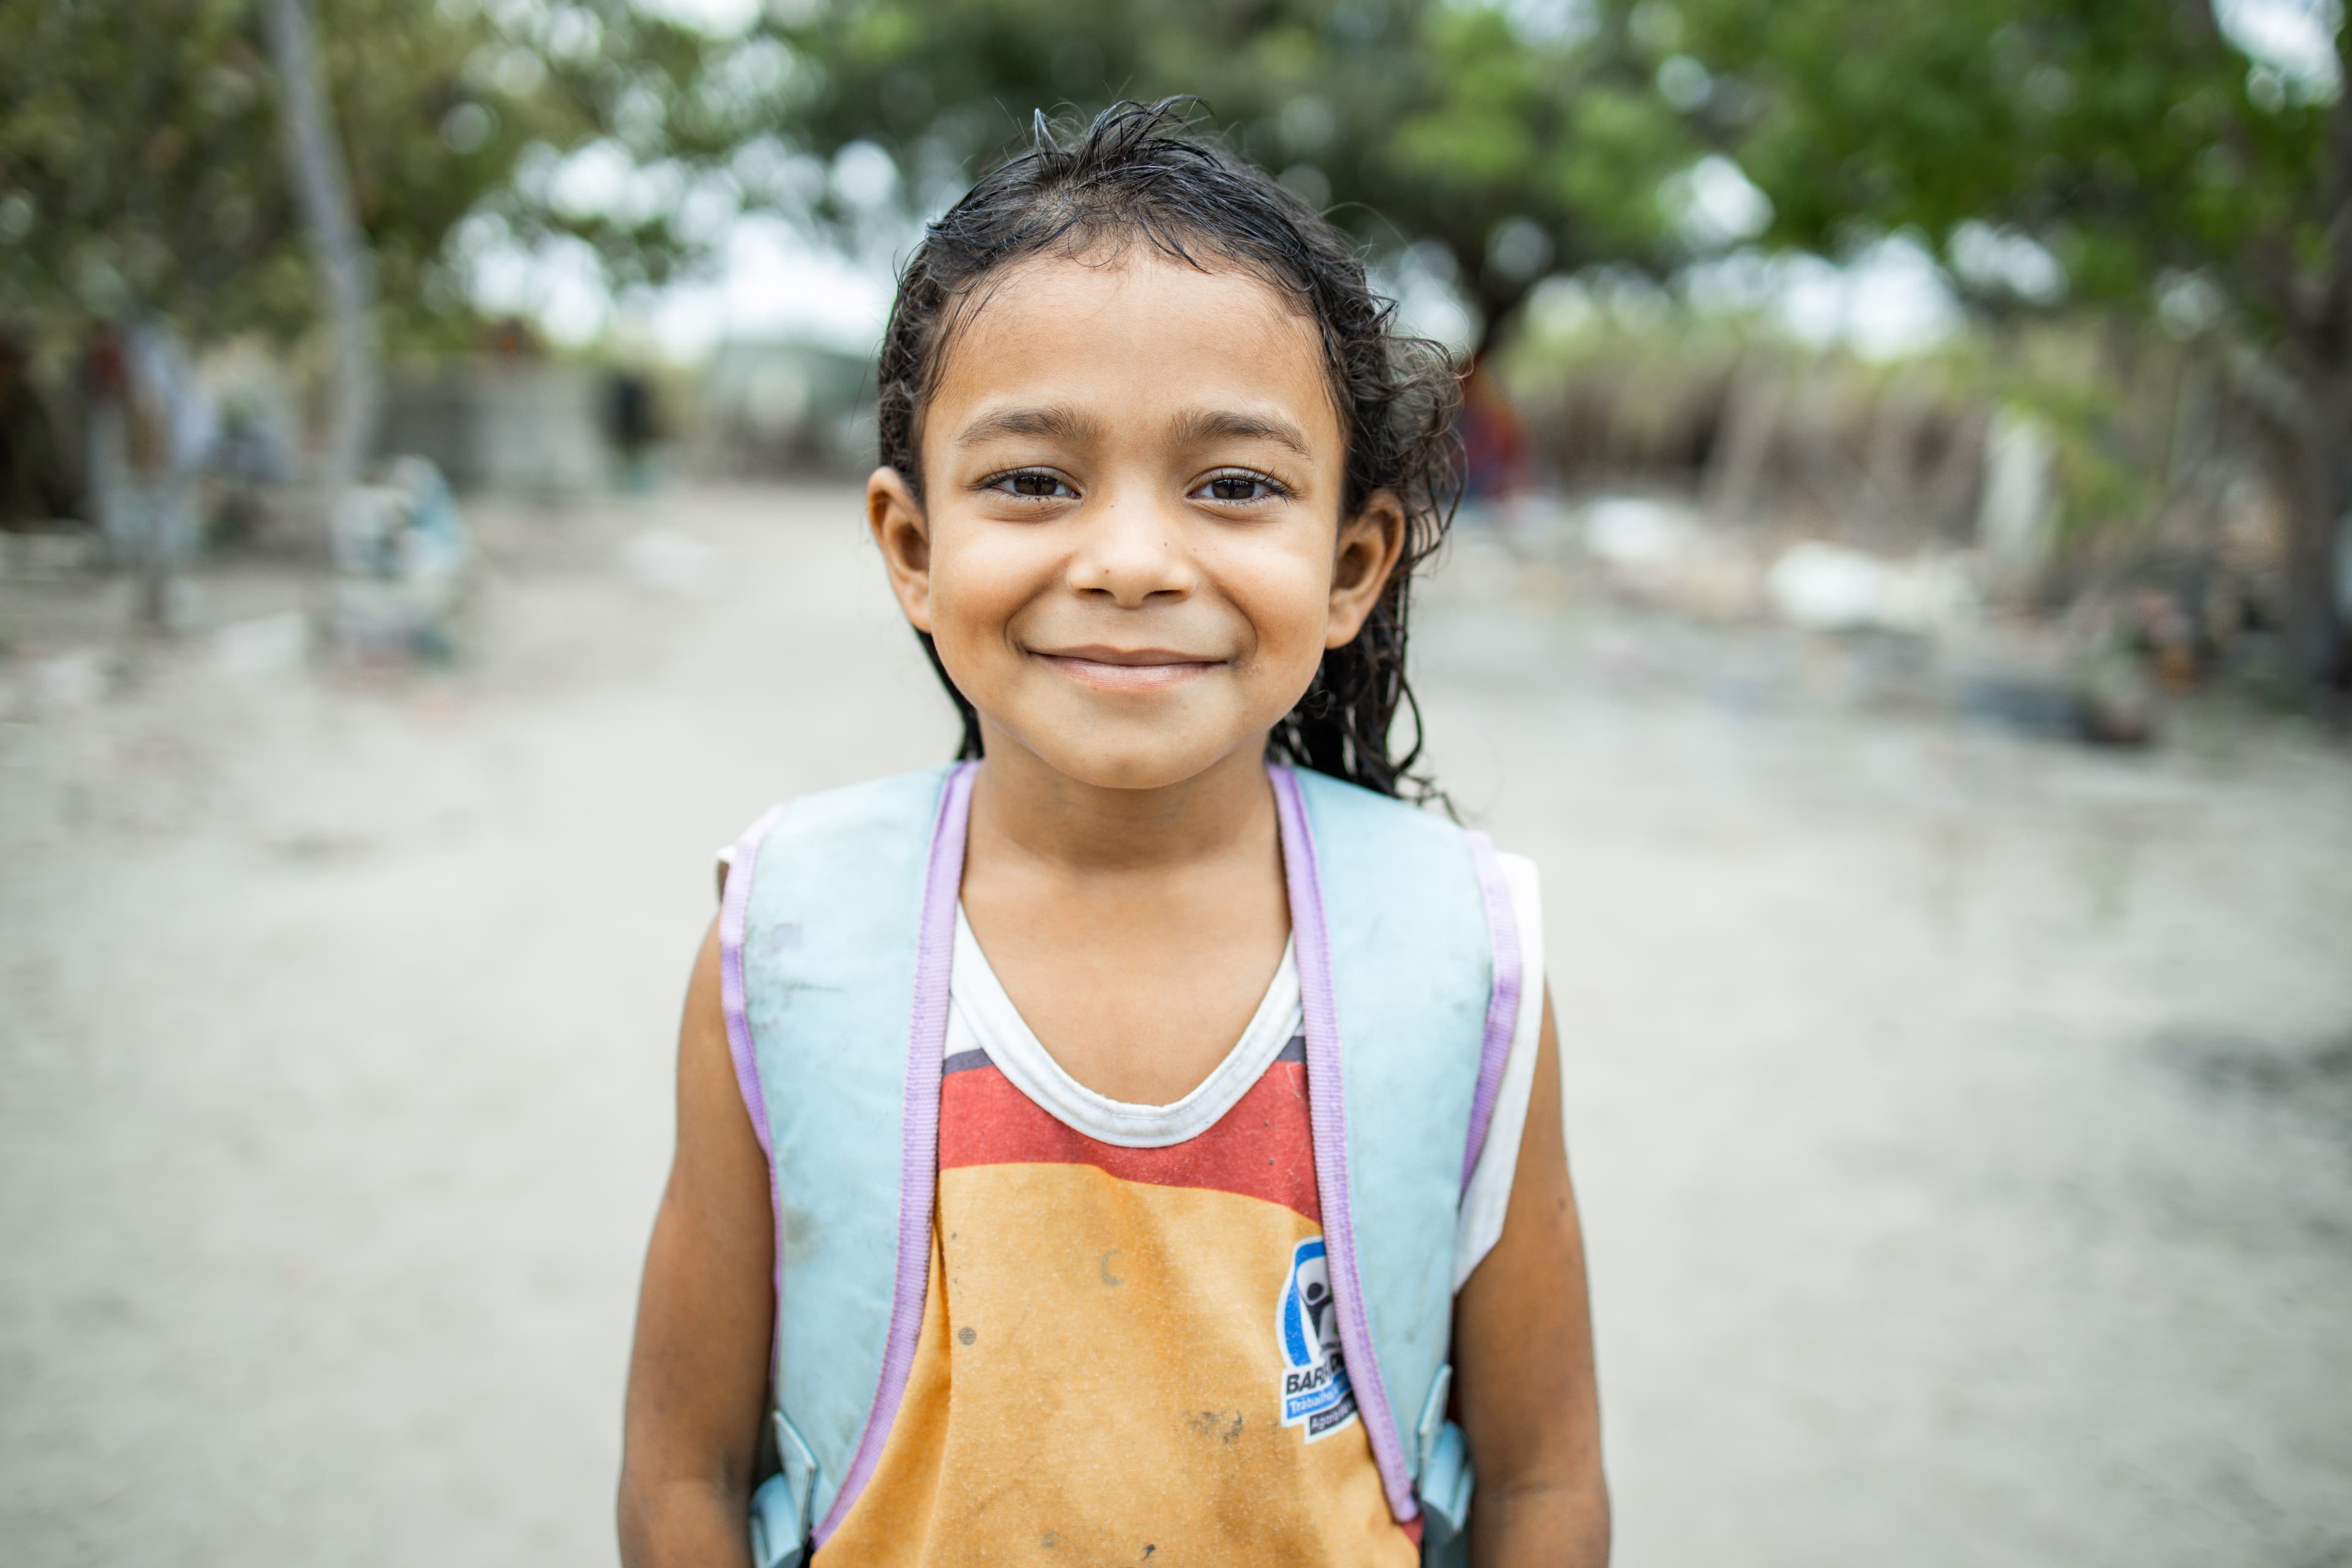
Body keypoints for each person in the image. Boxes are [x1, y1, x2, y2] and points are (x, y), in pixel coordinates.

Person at [619, 101, 1607, 1567]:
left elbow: (1541, 1484)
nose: (1134, 562)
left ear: (1349, 563)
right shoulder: (788, 941)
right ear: (912, 544)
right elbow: (681, 1474)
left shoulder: (1462, 961)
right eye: (1033, 479)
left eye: (1233, 485)